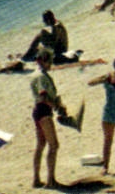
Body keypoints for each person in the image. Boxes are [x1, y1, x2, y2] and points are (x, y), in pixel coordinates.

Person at [30, 50, 65, 188]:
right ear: (44, 61)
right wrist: (56, 105)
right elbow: (44, 96)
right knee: (54, 145)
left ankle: (36, 179)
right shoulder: (42, 76)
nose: (50, 64)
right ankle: (51, 180)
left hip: (38, 110)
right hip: (44, 111)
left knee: (40, 145)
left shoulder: (35, 75)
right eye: (49, 61)